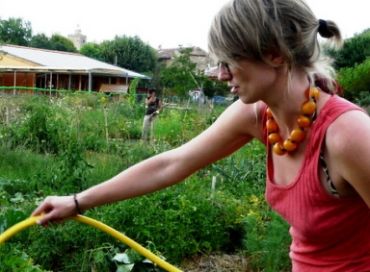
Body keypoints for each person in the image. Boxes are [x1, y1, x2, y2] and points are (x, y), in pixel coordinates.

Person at [33, 0, 370, 270]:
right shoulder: (256, 115)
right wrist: (78, 201)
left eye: (229, 61)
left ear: (275, 54)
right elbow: (172, 164)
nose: (221, 75)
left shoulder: (347, 136)